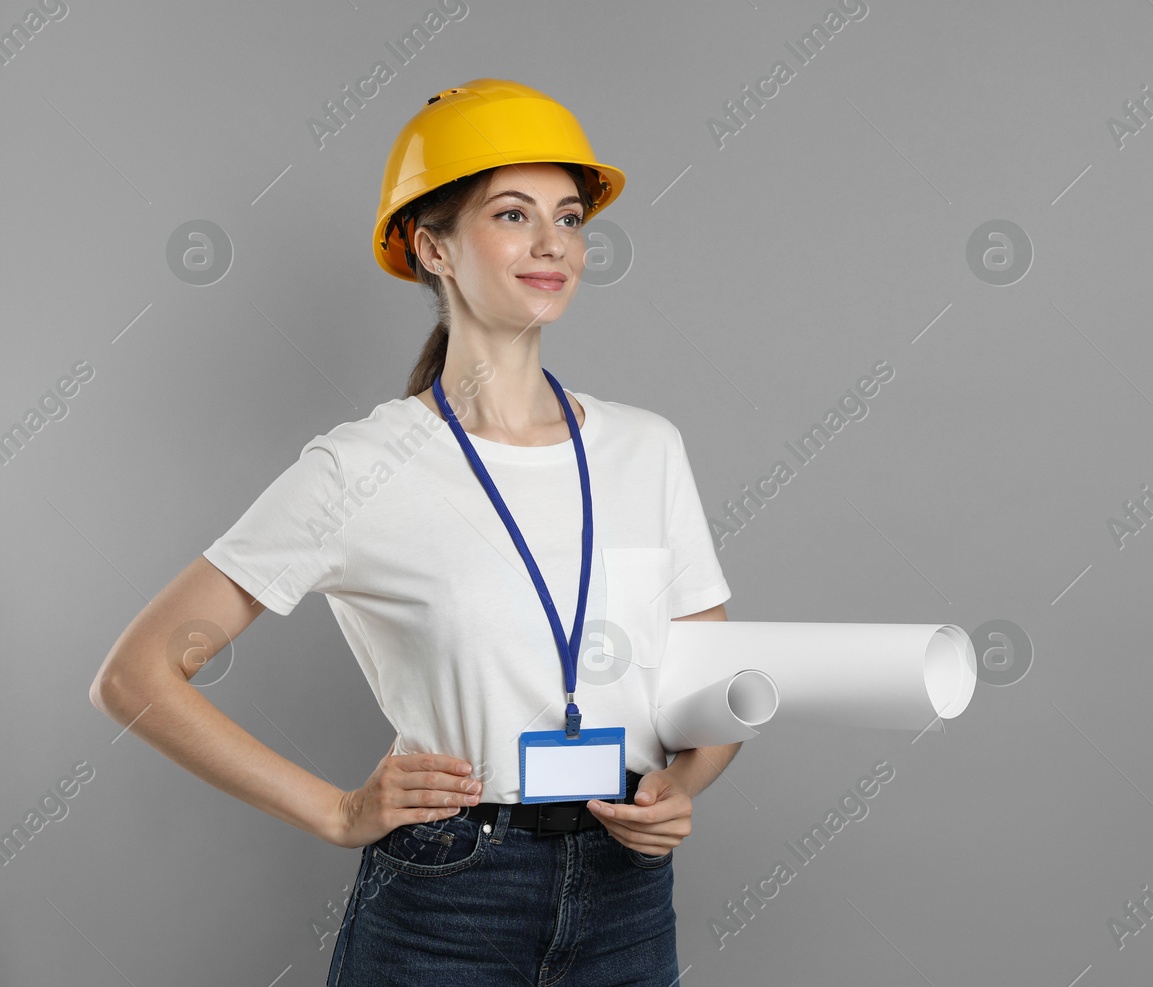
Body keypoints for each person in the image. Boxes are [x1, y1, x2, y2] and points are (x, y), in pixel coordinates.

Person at [89, 79, 739, 986]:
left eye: (569, 216)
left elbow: (712, 691)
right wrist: (335, 810)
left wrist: (685, 787)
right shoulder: (362, 467)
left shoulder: (647, 447)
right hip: (450, 895)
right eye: (513, 215)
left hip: (626, 889)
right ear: (431, 246)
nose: (553, 242)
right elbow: (135, 674)